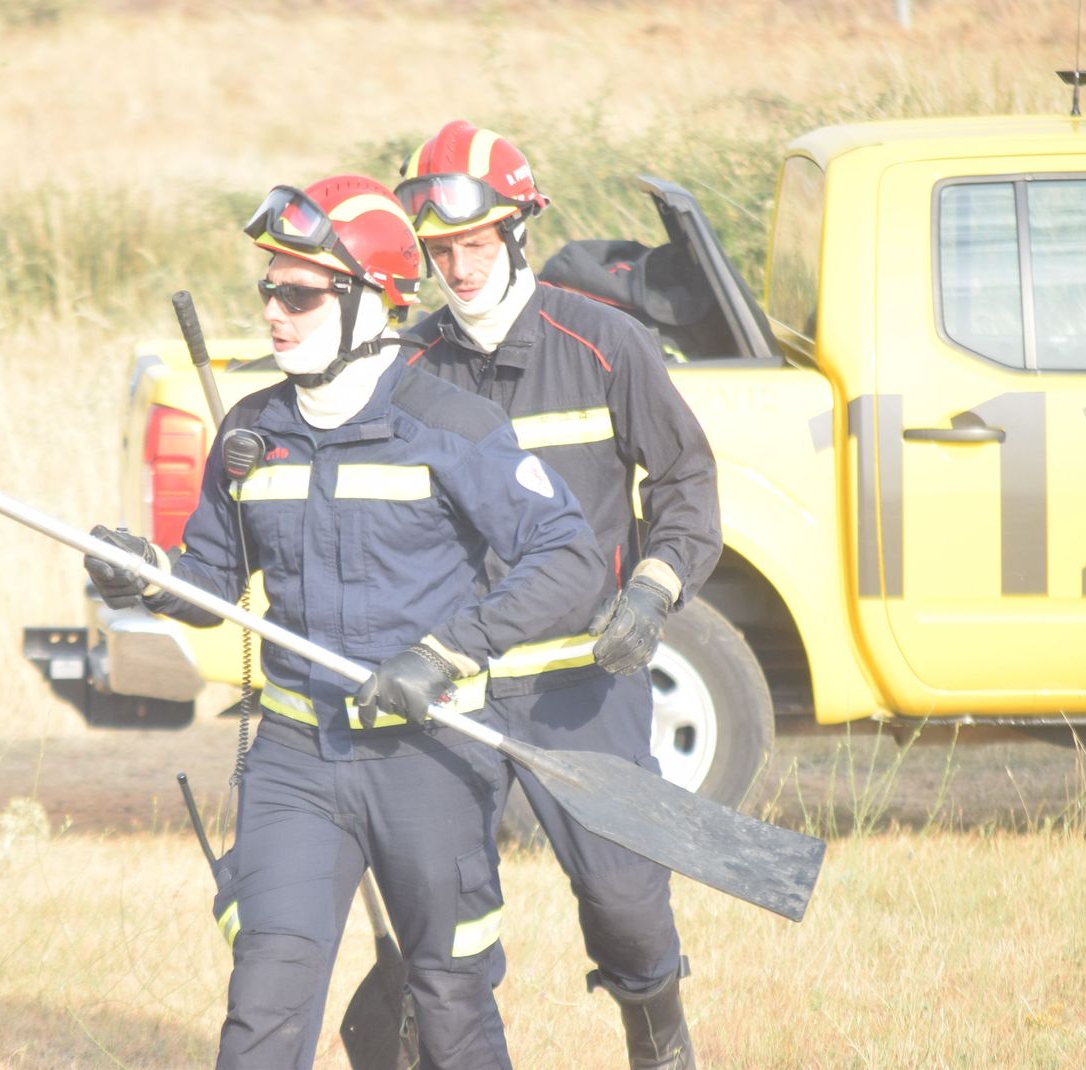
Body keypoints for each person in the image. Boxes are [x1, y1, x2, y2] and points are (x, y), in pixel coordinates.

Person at [83, 174, 606, 1070]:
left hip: (430, 756)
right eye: (268, 292)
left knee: (451, 1003)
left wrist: (444, 655)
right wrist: (151, 577)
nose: (274, 314)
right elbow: (215, 573)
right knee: (263, 1007)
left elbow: (569, 556)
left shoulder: (453, 424)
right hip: (294, 760)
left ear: (373, 302)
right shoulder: (255, 429)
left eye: (300, 294)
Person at [394, 120, 723, 1070]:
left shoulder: (608, 343)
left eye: (476, 242)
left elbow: (686, 484)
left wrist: (653, 595)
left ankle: (658, 1037)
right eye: (440, 250)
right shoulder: (406, 373)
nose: (457, 268)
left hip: (583, 682)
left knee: (624, 898)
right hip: (449, 685)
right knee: (438, 913)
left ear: (519, 231)